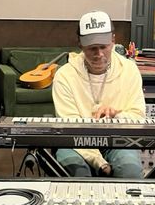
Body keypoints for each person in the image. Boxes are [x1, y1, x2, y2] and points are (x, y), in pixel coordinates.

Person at [52, 10, 146, 178]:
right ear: (80, 45)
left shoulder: (129, 70)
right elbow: (70, 127)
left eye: (104, 46)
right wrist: (99, 162)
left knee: (130, 171)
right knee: (79, 173)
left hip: (118, 140)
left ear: (113, 40)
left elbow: (138, 117)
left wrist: (117, 115)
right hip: (75, 143)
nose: (99, 54)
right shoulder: (64, 75)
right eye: (92, 48)